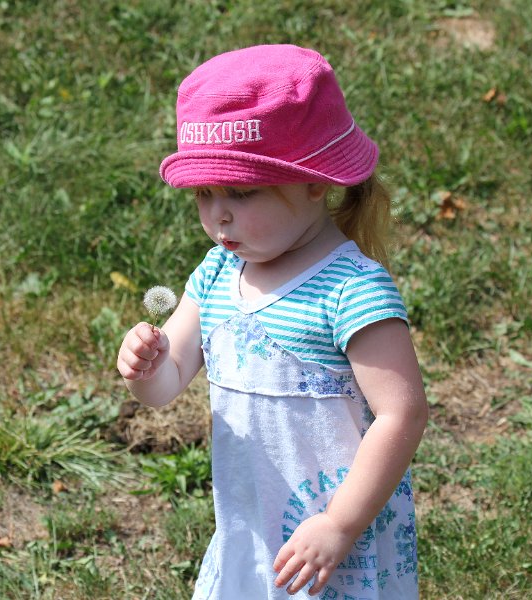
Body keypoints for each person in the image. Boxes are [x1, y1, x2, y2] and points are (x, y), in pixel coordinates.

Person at [117, 44, 428, 599]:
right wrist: (145, 369)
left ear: (315, 182)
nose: (219, 214)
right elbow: (167, 384)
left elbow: (401, 413)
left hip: (332, 543)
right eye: (205, 194)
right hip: (250, 531)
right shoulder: (217, 273)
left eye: (241, 191)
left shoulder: (351, 289)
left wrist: (339, 525)